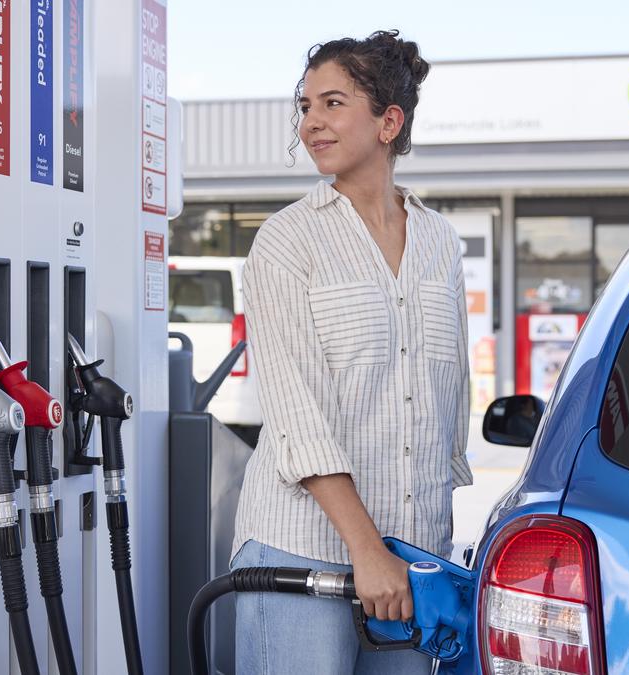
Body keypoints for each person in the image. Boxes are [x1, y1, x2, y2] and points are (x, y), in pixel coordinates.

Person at [229, 30, 473, 674]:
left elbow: (446, 402)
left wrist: (422, 553)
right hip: (302, 549)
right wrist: (366, 551)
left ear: (388, 120)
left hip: (413, 560)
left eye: (332, 103)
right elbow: (297, 417)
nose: (311, 123)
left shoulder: (440, 242)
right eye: (305, 106)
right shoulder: (287, 241)